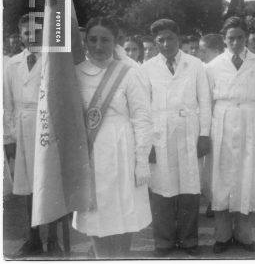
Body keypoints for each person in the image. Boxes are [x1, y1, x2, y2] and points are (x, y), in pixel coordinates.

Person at [72, 17, 153, 259]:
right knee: (96, 214)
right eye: (93, 40)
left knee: (124, 212)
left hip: (122, 150)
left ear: (115, 41)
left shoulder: (129, 72)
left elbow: (142, 119)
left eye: (105, 40)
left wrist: (141, 161)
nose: (98, 46)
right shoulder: (76, 73)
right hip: (91, 151)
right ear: (85, 42)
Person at [141, 19, 211, 257]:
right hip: (158, 134)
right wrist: (146, 142)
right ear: (154, 42)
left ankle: (189, 239)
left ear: (178, 38)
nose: (166, 43)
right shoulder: (147, 67)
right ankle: (163, 240)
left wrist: (204, 135)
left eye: (170, 38)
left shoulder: (196, 65)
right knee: (161, 188)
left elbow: (205, 102)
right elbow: (142, 109)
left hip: (189, 131)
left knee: (189, 187)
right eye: (160, 40)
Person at [206, 17, 255, 254]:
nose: (236, 42)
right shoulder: (213, 65)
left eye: (240, 37)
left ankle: (244, 235)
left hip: (249, 122)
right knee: (222, 180)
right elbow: (207, 101)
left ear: (246, 38)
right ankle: (222, 235)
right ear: (224, 39)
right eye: (231, 38)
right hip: (222, 124)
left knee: (247, 179)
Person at [3, 14, 62, 258]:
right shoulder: (11, 64)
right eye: (27, 33)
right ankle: (33, 238)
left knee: (51, 185)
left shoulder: (53, 60)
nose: (32, 37)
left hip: (48, 126)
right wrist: (8, 139)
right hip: (23, 126)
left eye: (37, 32)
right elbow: (7, 104)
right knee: (28, 188)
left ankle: (55, 241)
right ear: (20, 37)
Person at [197, 33, 225, 218]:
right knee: (209, 165)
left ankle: (219, 201)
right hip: (207, 120)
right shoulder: (204, 68)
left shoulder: (220, 66)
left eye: (204, 50)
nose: (201, 53)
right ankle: (211, 199)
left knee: (221, 164)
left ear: (214, 49)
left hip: (222, 119)